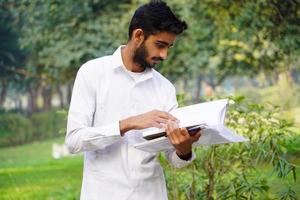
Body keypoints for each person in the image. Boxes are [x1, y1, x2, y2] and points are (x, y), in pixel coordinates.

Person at [66, 1, 201, 200]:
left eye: (169, 47)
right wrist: (128, 124)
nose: (164, 55)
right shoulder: (92, 73)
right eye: (160, 45)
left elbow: (174, 159)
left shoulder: (164, 88)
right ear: (138, 35)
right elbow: (74, 141)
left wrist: (183, 149)